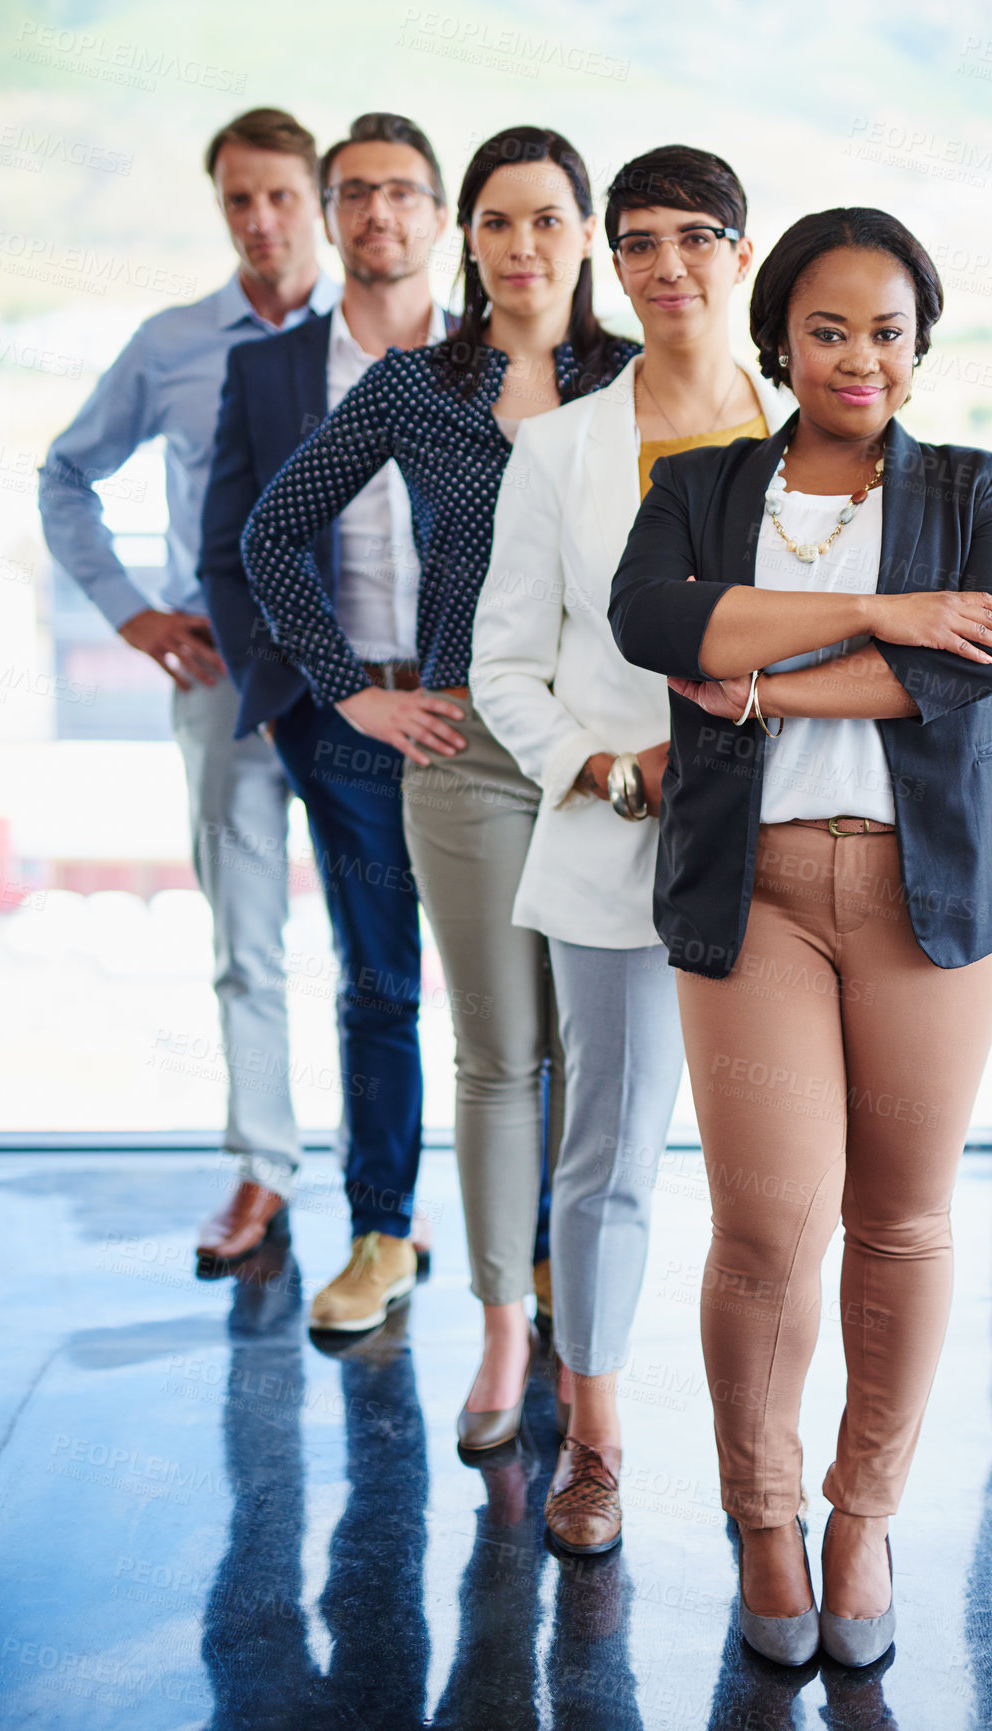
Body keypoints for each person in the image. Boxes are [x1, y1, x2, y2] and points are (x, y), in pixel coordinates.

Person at [608, 207, 992, 1665]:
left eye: (885, 330)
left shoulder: (979, 483)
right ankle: (765, 1515)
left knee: (901, 1218)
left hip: (930, 904)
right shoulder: (699, 480)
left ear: (917, 346)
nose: (858, 356)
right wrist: (873, 608)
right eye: (826, 328)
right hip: (755, 894)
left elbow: (978, 656)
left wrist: (751, 678)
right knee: (760, 1226)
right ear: (778, 341)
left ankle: (861, 1515)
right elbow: (649, 620)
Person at [241, 127, 640, 1439]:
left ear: (584, 235)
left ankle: (579, 1338)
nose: (520, 247)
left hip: (600, 760)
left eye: (545, 220)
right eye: (495, 222)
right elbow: (271, 531)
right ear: (465, 240)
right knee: (493, 1056)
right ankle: (496, 1336)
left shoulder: (639, 382)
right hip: (465, 756)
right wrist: (353, 683)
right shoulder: (417, 384)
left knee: (591, 1057)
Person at [470, 144, 781, 1554]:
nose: (666, 266)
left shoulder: (820, 435)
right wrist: (601, 767)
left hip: (786, 854)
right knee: (605, 1161)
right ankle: (591, 1447)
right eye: (639, 242)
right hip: (619, 853)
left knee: (772, 1178)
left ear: (739, 249)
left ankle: (766, 1469)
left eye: (694, 237)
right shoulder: (557, 449)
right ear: (612, 258)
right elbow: (501, 665)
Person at [38, 108, 339, 1272]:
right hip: (225, 676)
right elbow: (67, 474)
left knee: (384, 946)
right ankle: (265, 1166)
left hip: (365, 685)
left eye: (278, 196)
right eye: (237, 200)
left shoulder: (383, 337)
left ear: (315, 198)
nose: (260, 221)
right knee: (247, 941)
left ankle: (384, 1186)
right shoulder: (170, 343)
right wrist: (131, 611)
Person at [200, 112, 454, 1332]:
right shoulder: (267, 373)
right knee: (378, 983)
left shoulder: (496, 366)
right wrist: (332, 695)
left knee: (538, 992)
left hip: (480, 715)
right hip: (343, 715)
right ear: (329, 209)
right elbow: (228, 552)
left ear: (440, 218)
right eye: (355, 193)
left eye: (403, 193)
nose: (377, 215)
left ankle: (547, 1252)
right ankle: (381, 1230)